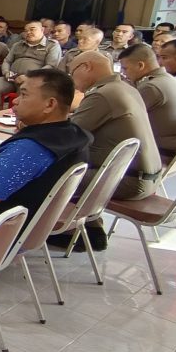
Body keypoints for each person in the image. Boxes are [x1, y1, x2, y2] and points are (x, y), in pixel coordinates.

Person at [63, 52, 161, 250]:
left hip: (129, 181)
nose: (72, 79)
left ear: (86, 67)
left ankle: (64, 232)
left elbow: (68, 136)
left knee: (48, 175)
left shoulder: (103, 94)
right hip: (145, 177)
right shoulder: (125, 87)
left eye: (72, 72)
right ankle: (90, 229)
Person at [0, 69, 91, 226]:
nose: (15, 101)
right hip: (31, 226)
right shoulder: (74, 135)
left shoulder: (29, 149)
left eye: (24, 95)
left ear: (49, 104)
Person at [118, 44, 176, 161]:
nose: (124, 73)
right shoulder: (167, 79)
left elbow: (123, 117)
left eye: (125, 69)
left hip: (159, 152)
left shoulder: (151, 87)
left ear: (140, 65)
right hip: (169, 147)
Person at [0, 21, 60, 111]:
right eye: (26, 30)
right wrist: (6, 72)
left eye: (32, 29)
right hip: (12, 77)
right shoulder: (18, 45)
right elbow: (7, 61)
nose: (28, 32)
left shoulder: (52, 45)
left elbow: (51, 66)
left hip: (33, 79)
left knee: (25, 89)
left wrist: (29, 77)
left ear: (42, 30)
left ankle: (19, 117)